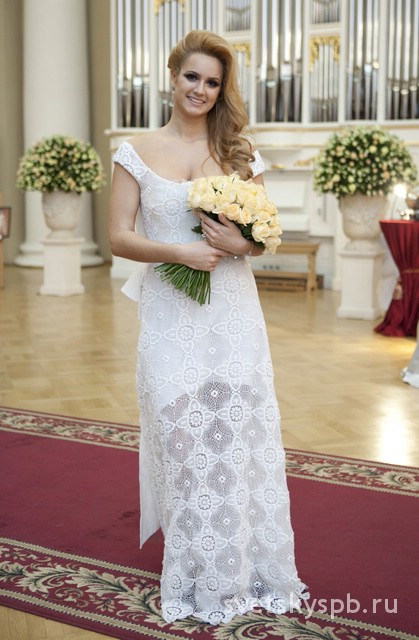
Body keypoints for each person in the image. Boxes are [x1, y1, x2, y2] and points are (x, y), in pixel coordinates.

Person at [109, 29, 308, 625]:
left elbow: (265, 235)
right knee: (183, 438)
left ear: (222, 90)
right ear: (174, 77)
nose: (200, 89)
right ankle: (199, 570)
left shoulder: (239, 153)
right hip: (169, 315)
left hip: (232, 313)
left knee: (238, 435)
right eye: (192, 76)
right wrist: (180, 252)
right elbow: (118, 236)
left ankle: (247, 566)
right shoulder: (135, 151)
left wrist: (240, 244)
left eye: (213, 82)